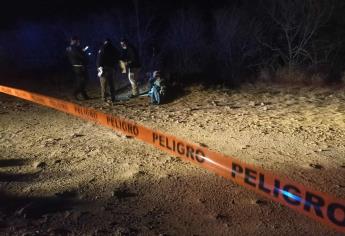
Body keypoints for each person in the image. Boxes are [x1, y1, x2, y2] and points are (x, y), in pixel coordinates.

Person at [97, 39, 120, 103]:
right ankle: (113, 98)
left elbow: (99, 58)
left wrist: (98, 67)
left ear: (105, 42)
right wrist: (115, 65)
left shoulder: (103, 48)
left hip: (103, 68)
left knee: (103, 84)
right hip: (111, 68)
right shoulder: (114, 48)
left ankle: (104, 98)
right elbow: (118, 56)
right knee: (111, 84)